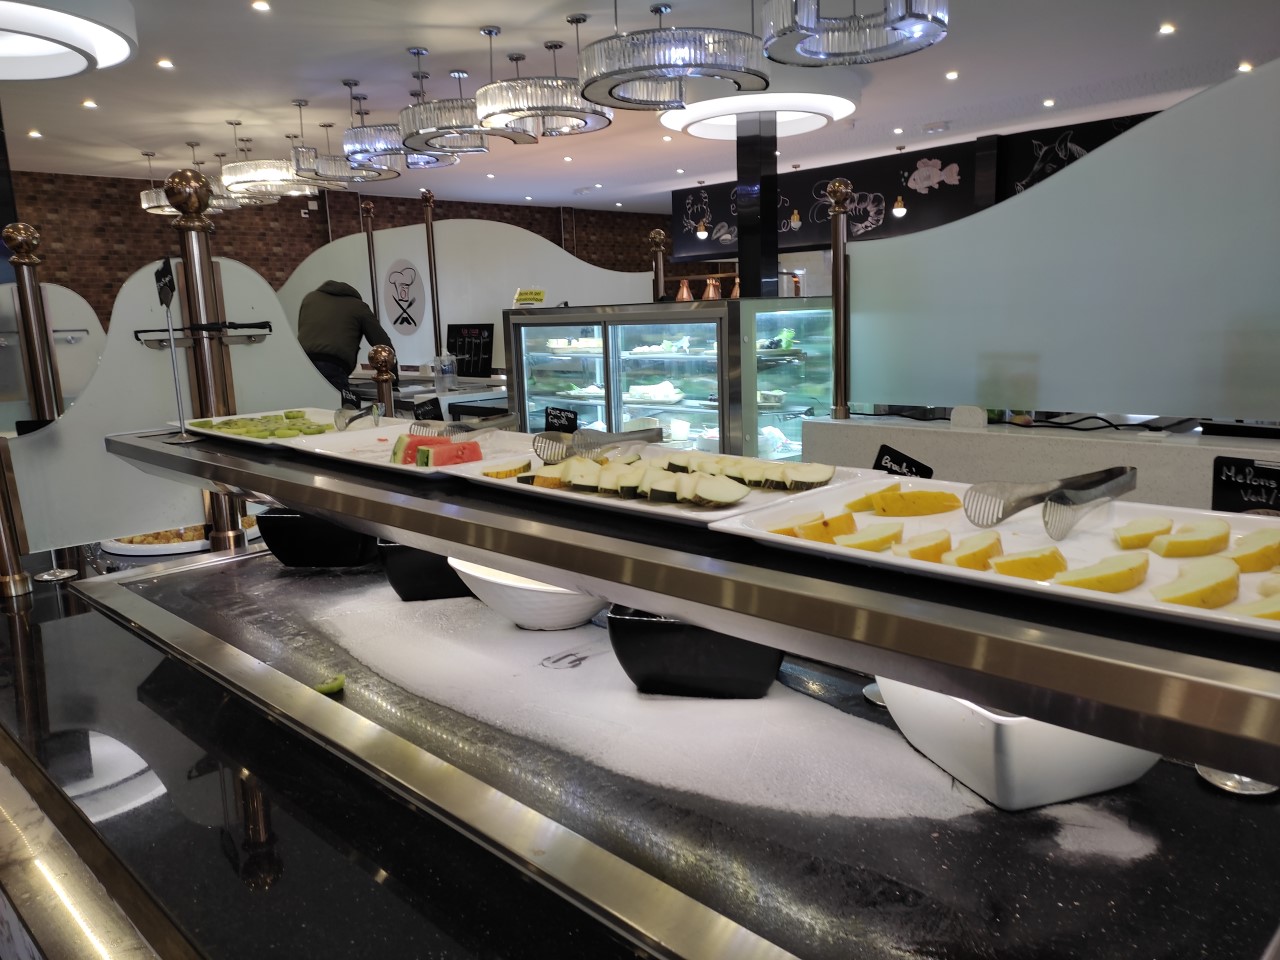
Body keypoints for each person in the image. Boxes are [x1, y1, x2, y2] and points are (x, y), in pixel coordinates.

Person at [297, 280, 395, 393]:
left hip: (302, 363)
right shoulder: (359, 306)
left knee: (304, 402)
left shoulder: (310, 299)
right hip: (333, 366)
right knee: (335, 403)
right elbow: (384, 346)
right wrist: (393, 381)